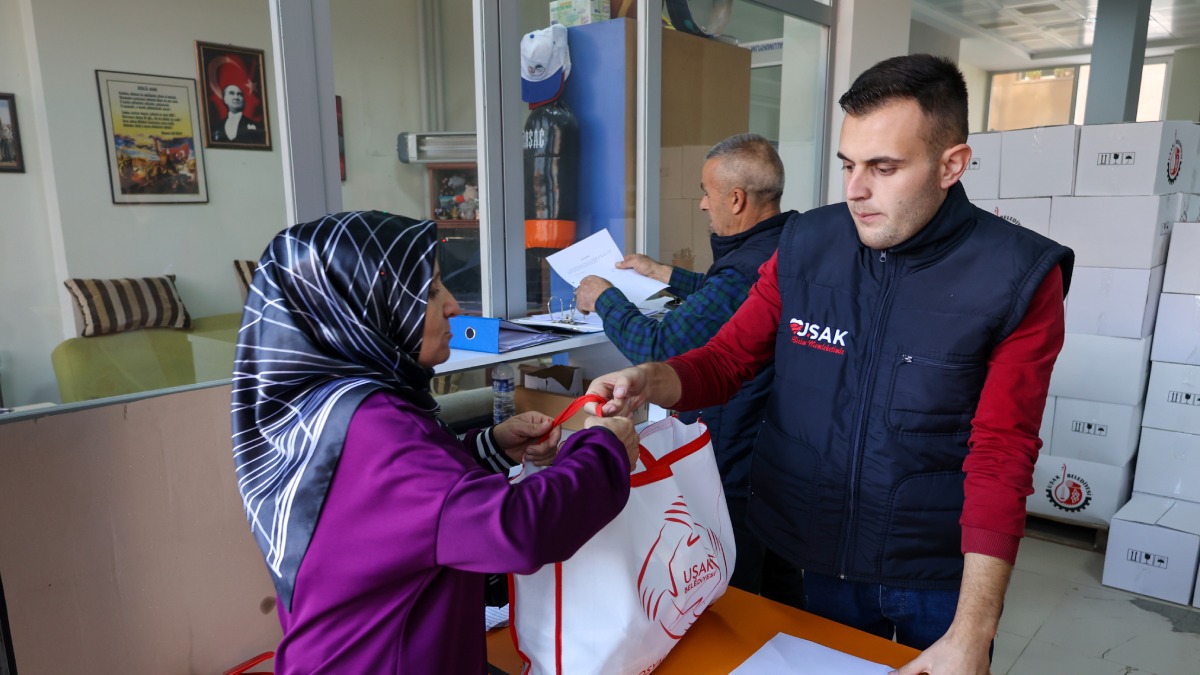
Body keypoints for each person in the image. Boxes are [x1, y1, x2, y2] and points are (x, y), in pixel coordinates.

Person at [584, 54, 1073, 675]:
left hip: (932, 572)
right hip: (802, 554)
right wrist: (650, 377)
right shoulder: (807, 244)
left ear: (952, 164)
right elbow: (729, 359)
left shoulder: (1018, 276)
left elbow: (1003, 451)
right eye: (848, 165)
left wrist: (974, 630)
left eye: (884, 167)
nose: (855, 190)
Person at [231, 211, 639, 672]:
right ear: (365, 305)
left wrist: (492, 447)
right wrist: (604, 449)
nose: (452, 306)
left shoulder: (318, 405)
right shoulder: (373, 424)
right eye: (429, 291)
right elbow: (520, 530)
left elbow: (387, 509)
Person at [574, 132, 801, 603]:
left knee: (739, 596)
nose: (702, 204)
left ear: (736, 200)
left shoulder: (745, 269)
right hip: (778, 457)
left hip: (742, 461)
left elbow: (660, 344)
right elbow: (725, 292)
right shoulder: (786, 247)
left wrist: (605, 299)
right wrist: (661, 273)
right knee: (781, 595)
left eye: (706, 191)